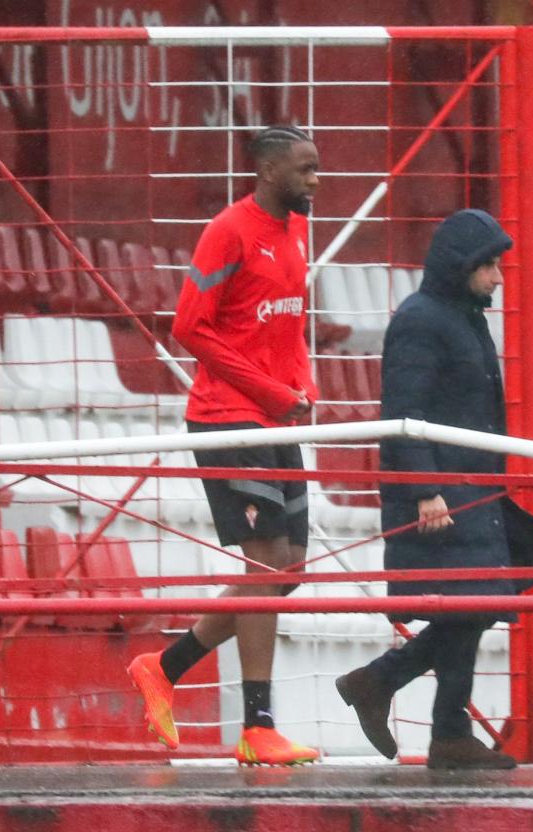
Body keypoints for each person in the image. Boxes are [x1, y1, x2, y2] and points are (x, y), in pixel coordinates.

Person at [334, 209, 533, 770]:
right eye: (488, 266)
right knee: (471, 603)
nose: (498, 277)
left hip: (474, 486)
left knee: (478, 600)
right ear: (460, 266)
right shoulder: (421, 320)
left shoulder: (462, 315)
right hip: (443, 491)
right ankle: (440, 726)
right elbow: (403, 414)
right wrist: (425, 490)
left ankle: (406, 701)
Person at [127, 125, 321, 767]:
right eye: (306, 169)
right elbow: (189, 325)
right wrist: (267, 389)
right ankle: (257, 726)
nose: (315, 181)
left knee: (289, 570)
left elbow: (291, 320)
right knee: (266, 565)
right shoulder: (228, 231)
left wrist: (301, 383)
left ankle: (166, 665)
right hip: (227, 418)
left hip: (274, 418)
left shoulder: (296, 230)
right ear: (268, 171)